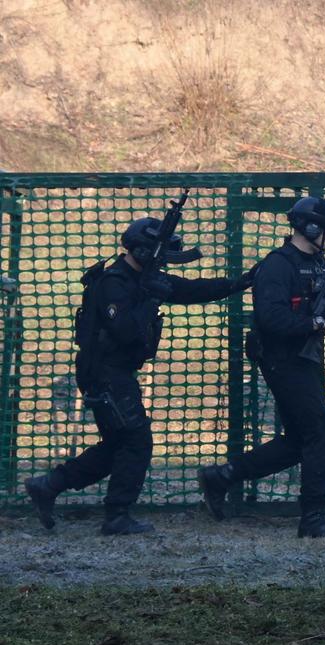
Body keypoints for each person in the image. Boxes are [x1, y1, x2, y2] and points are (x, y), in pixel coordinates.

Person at [23, 216, 255, 535]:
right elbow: (126, 331)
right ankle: (116, 514)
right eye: (158, 254)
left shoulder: (140, 279)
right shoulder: (114, 282)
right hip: (103, 372)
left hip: (116, 371)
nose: (162, 263)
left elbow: (190, 289)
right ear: (143, 251)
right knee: (136, 441)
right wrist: (152, 299)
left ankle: (49, 485)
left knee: (120, 442)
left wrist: (237, 283)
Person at [197, 196, 325, 538]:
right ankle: (313, 519)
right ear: (311, 227)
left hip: (307, 358)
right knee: (322, 433)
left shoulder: (320, 263)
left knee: (299, 440)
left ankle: (222, 476)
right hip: (283, 359)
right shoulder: (278, 265)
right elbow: (272, 319)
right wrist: (316, 321)